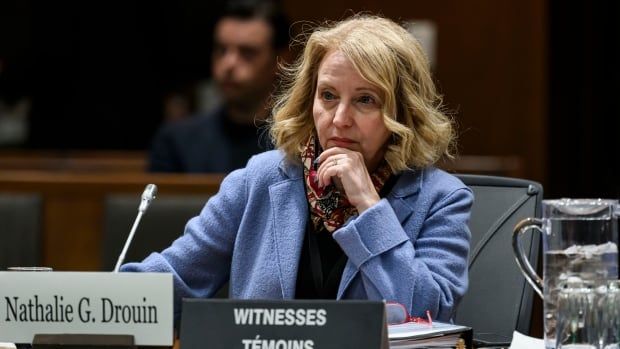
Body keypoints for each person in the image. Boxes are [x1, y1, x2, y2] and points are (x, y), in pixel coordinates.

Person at [123, 15, 473, 324]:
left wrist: (370, 206)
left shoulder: (440, 199)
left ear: (402, 112)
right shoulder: (259, 179)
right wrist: (91, 298)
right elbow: (174, 277)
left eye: (365, 100)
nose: (339, 119)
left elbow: (430, 314)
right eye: (328, 96)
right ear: (310, 99)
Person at [148, 0, 290, 172]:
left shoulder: (296, 143)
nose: (228, 64)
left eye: (247, 53)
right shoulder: (176, 141)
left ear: (279, 61)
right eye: (221, 50)